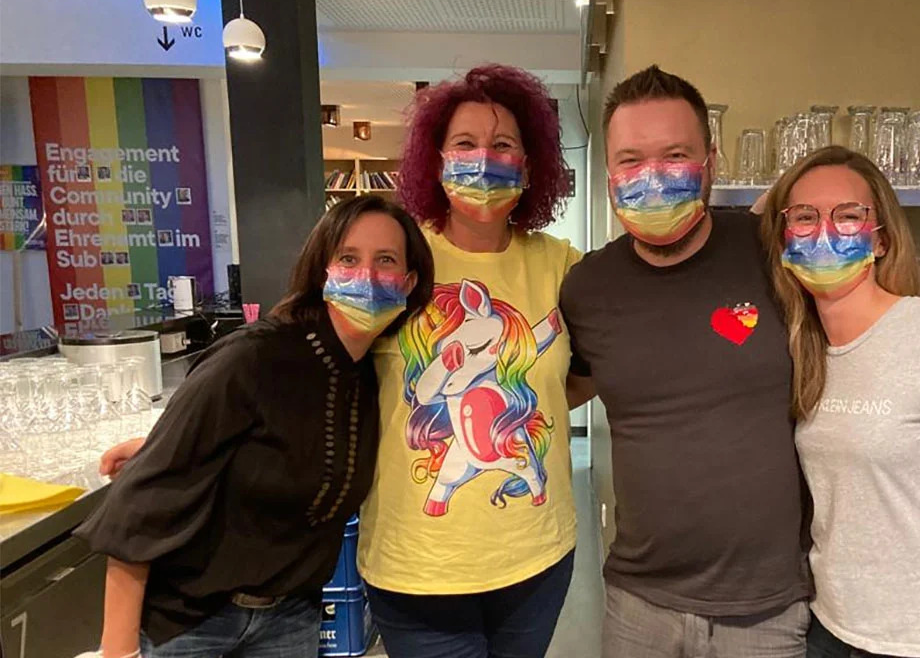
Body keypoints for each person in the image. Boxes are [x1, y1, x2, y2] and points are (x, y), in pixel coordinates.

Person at [75, 195, 434, 658]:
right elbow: (139, 508)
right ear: (323, 270)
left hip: (290, 620)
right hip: (192, 622)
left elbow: (286, 446)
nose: (366, 276)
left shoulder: (373, 373)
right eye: (348, 258)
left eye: (385, 261)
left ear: (408, 282)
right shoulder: (254, 356)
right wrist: (119, 652)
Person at [560, 65, 812, 658]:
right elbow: (562, 387)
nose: (652, 177)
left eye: (675, 155)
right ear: (609, 175)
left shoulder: (772, 255)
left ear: (711, 163)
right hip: (638, 605)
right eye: (631, 160)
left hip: (768, 610)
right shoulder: (588, 287)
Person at [758, 145, 920, 658]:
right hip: (828, 630)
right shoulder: (803, 349)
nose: (824, 232)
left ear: (880, 240)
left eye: (848, 216)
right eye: (805, 218)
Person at [357, 64, 588, 658]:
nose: (484, 159)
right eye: (465, 144)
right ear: (435, 160)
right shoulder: (394, 257)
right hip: (416, 569)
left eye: (503, 144)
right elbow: (303, 357)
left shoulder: (563, 266)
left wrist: (512, 402)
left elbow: (579, 373)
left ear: (531, 164)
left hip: (535, 561)